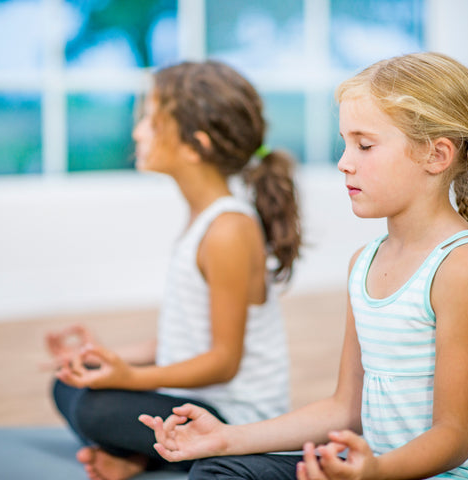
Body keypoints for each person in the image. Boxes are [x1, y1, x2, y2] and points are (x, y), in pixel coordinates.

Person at [140, 52, 468, 479]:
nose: (344, 162)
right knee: (220, 470)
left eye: (365, 145)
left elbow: (454, 438)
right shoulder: (365, 263)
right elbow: (344, 409)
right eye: (344, 142)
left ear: (437, 155)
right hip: (376, 469)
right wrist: (226, 437)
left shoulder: (463, 266)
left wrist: (372, 471)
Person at [44, 60, 302, 480]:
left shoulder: (229, 230)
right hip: (189, 398)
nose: (137, 131)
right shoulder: (203, 219)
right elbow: (185, 338)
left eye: (149, 118)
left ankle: (150, 454)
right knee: (70, 382)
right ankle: (141, 455)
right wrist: (103, 359)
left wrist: (131, 378)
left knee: (97, 407)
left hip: (233, 415)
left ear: (193, 146)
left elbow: (223, 361)